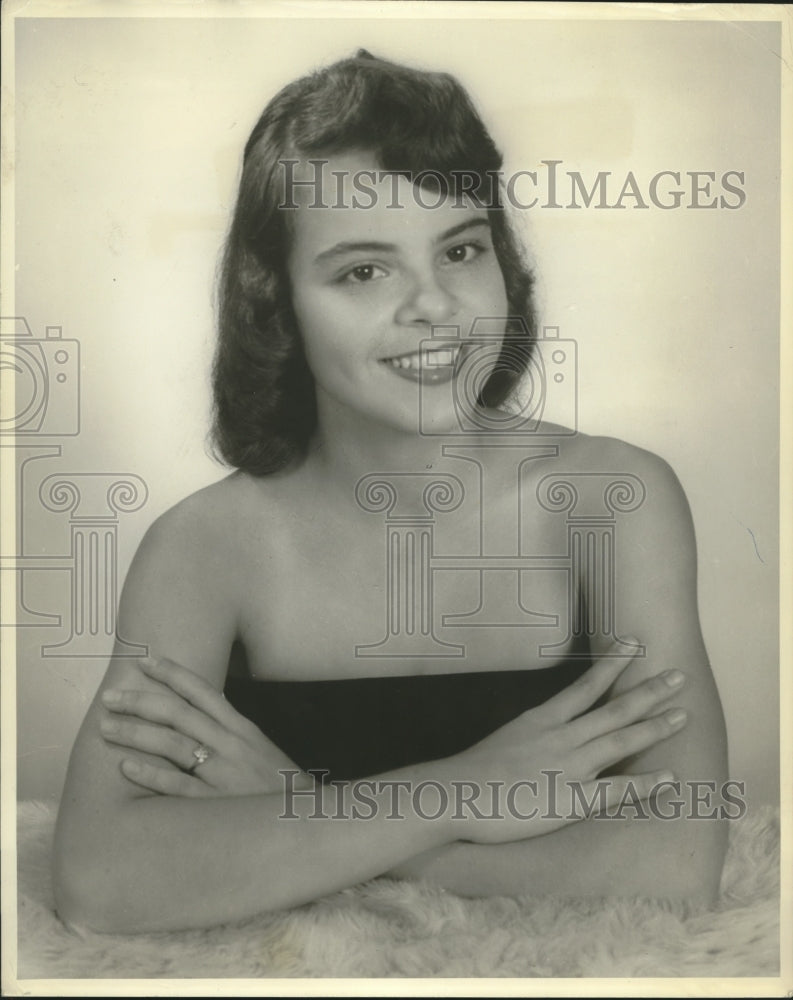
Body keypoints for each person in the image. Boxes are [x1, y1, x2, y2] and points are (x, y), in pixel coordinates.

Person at [52, 51, 728, 934]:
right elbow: (98, 882)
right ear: (274, 301)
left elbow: (680, 866)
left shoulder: (613, 499)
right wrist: (462, 793)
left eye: (460, 249)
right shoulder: (204, 548)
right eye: (363, 271)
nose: (435, 306)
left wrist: (309, 807)